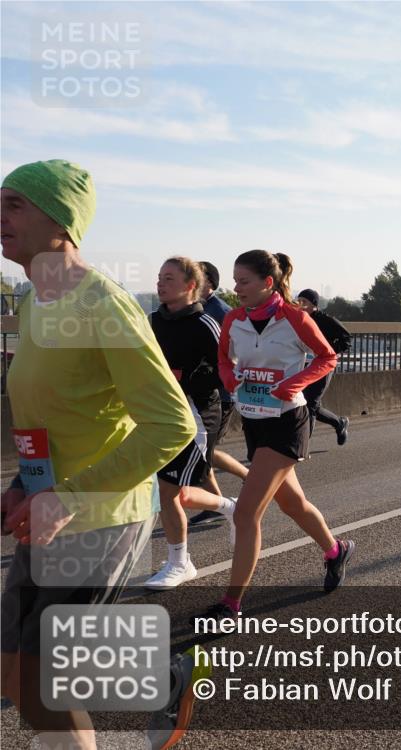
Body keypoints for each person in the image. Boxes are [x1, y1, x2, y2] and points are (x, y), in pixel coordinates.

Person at [0, 160, 201, 749]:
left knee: (44, 688)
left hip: (99, 517)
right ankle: (161, 678)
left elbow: (173, 424)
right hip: (46, 511)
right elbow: (45, 415)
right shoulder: (35, 301)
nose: (0, 217)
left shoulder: (103, 303)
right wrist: (25, 483)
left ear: (61, 221)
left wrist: (68, 495)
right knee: (12, 673)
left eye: (15, 205)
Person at [191, 250, 354, 624]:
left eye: (243, 281)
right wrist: (230, 379)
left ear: (267, 283)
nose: (236, 288)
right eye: (234, 281)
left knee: (247, 512)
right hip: (254, 421)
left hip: (287, 421)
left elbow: (326, 357)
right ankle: (336, 550)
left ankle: (230, 605)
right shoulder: (234, 319)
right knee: (293, 504)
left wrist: (294, 383)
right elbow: (223, 361)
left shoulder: (295, 318)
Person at [144, 257, 236, 589]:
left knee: (169, 490)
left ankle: (180, 563)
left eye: (168, 277)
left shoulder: (205, 324)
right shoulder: (151, 321)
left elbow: (228, 370)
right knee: (173, 491)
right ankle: (230, 506)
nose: (160, 283)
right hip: (160, 415)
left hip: (196, 416)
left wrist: (189, 377)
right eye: (158, 277)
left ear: (190, 285)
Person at [187, 261, 249, 527]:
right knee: (205, 453)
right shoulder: (194, 310)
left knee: (202, 455)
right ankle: (242, 481)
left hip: (220, 395)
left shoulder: (220, 311)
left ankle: (220, 502)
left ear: (208, 283)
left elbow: (234, 353)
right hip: (200, 393)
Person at [296, 289, 350, 441]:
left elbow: (346, 339)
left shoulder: (326, 320)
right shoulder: (297, 319)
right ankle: (339, 423)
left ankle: (303, 445)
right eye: (298, 301)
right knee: (310, 403)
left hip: (324, 366)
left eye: (304, 302)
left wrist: (331, 353)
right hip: (305, 365)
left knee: (310, 403)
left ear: (314, 305)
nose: (300, 305)